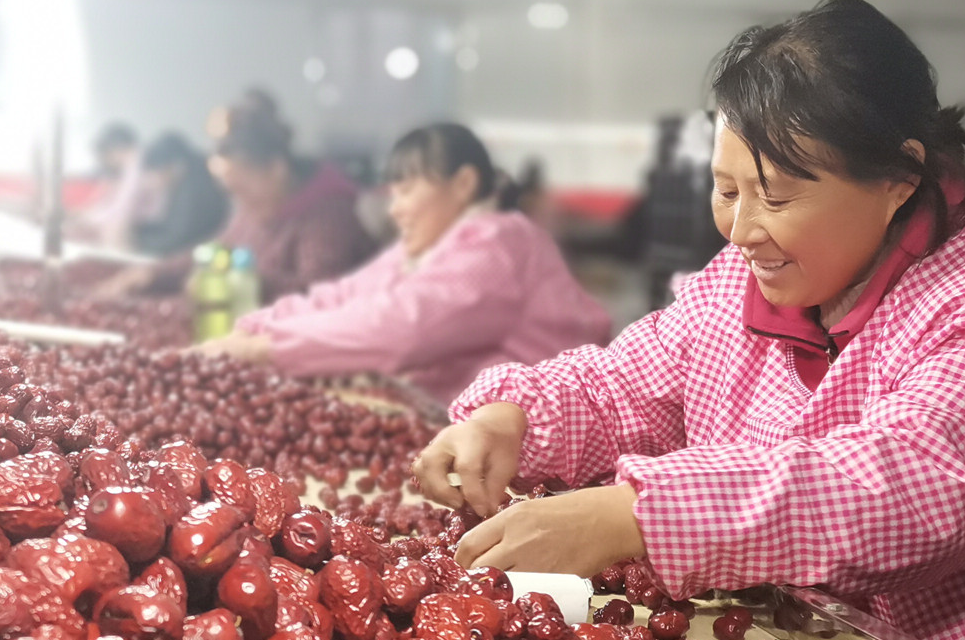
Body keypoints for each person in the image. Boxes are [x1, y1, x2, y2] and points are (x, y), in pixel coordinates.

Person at [412, 0, 965, 640]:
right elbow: (628, 384)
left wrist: (633, 516)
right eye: (726, 189)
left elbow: (907, 485)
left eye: (776, 196)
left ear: (899, 177)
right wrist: (511, 418)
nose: (742, 229)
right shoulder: (753, 278)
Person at [195, 122, 612, 404]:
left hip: (539, 448)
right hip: (467, 430)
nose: (395, 210)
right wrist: (253, 329)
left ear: (463, 184)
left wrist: (266, 348)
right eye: (392, 193)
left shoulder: (500, 244)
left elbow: (401, 327)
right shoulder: (428, 247)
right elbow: (346, 297)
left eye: (407, 190)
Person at [208, 89, 374, 301]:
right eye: (232, 191)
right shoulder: (254, 212)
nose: (239, 200)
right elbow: (220, 249)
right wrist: (158, 273)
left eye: (243, 188)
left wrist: (243, 281)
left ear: (277, 170)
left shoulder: (330, 215)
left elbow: (318, 291)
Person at [129, 132, 230, 258]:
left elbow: (179, 240)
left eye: (159, 173)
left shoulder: (196, 187)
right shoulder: (193, 173)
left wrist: (138, 243)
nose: (157, 180)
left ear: (175, 165)